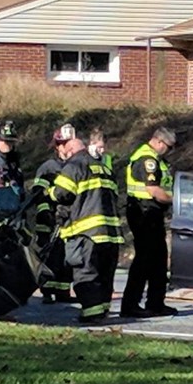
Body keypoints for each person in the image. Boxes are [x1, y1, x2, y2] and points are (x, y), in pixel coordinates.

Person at [49, 129, 124, 324]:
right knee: (105, 275)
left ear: (69, 148)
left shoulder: (74, 166)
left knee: (86, 274)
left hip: (86, 233)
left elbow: (61, 194)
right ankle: (102, 310)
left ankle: (92, 314)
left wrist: (50, 191)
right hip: (111, 234)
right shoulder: (105, 169)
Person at [121, 127, 178, 318]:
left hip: (152, 213)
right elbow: (154, 190)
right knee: (144, 259)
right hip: (143, 212)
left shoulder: (156, 159)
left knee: (159, 258)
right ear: (159, 142)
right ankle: (130, 304)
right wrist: (176, 201)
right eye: (168, 147)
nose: (169, 151)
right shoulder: (147, 160)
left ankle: (156, 303)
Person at [33, 124, 75, 303]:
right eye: (65, 143)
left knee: (66, 256)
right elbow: (38, 193)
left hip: (68, 219)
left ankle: (63, 292)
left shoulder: (75, 166)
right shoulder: (49, 168)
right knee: (50, 255)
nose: (68, 146)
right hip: (49, 220)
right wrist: (46, 213)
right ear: (58, 146)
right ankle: (47, 291)